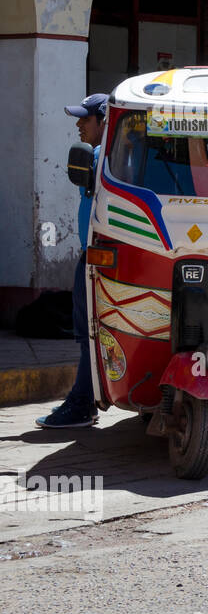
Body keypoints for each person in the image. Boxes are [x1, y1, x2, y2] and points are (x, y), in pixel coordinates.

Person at [37, 94, 109, 429]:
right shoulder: (113, 158)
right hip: (97, 254)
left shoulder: (100, 156)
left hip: (96, 258)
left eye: (85, 119)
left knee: (86, 333)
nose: (79, 125)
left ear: (104, 120)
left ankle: (82, 403)